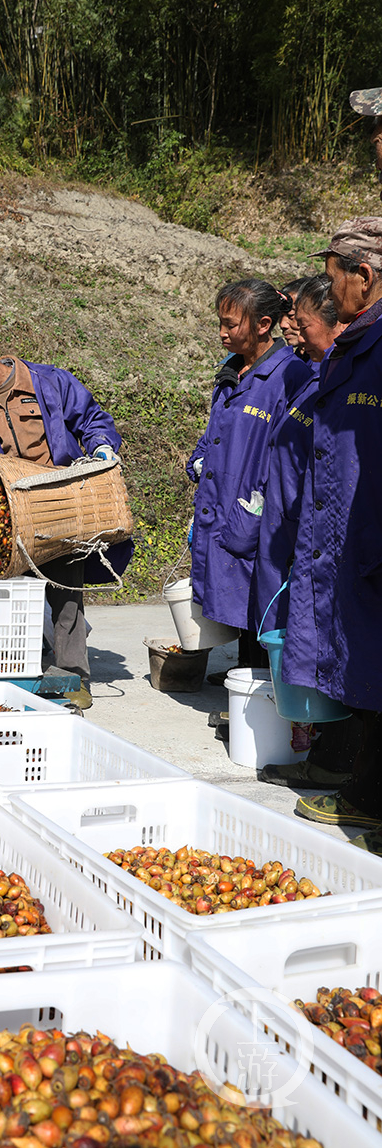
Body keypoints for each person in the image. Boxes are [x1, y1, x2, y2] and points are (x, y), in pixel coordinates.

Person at [0, 331, 132, 711]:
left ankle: (73, 676)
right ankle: (11, 674)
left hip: (58, 502)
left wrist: (101, 445)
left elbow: (92, 419)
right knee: (5, 595)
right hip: (7, 510)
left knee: (67, 592)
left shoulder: (51, 382)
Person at [278, 220, 382, 836]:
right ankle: (362, 785)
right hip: (349, 533)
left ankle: (369, 794)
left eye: (336, 273)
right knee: (361, 660)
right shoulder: (358, 344)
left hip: (367, 534)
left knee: (371, 662)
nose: (330, 285)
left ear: (363, 276)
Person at [250, 275, 354, 788]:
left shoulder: (346, 380)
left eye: (302, 320)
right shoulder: (314, 376)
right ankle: (318, 748)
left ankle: (334, 759)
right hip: (295, 534)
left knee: (330, 652)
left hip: (323, 538)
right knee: (301, 645)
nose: (293, 327)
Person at [187, 279, 312, 669]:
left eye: (231, 324)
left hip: (256, 512)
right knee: (236, 605)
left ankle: (257, 704)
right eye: (220, 323)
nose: (223, 333)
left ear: (262, 325)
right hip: (221, 507)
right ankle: (242, 691)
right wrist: (198, 459)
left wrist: (256, 508)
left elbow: (287, 455)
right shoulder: (232, 372)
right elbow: (214, 434)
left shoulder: (290, 377)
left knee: (264, 607)